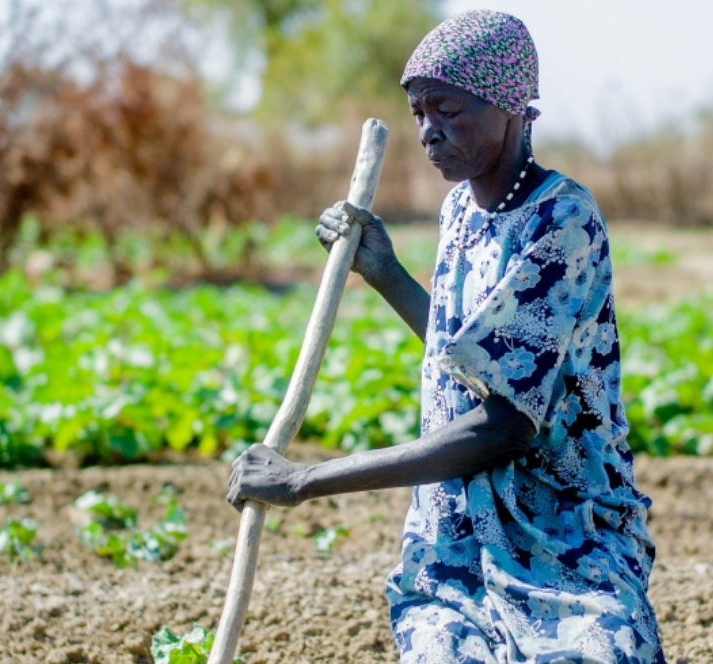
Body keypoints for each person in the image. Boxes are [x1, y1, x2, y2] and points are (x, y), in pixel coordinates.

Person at [227, 10, 667, 664]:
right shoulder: (459, 210)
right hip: (455, 537)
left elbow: (501, 426)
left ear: (510, 107)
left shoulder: (563, 219)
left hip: (563, 527)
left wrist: (303, 483)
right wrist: (383, 271)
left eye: (448, 110)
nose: (429, 132)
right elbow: (466, 357)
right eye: (418, 114)